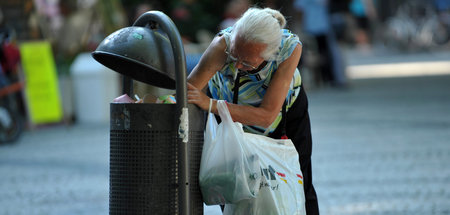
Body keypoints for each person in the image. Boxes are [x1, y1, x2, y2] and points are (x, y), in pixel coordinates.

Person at [187, 7, 319, 214]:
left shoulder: (289, 48)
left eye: (247, 62)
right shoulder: (222, 44)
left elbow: (266, 116)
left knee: (298, 177)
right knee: (231, 180)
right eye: (235, 55)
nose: (238, 65)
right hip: (228, 112)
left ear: (270, 53)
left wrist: (211, 104)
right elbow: (190, 92)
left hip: (283, 113)